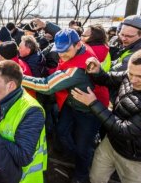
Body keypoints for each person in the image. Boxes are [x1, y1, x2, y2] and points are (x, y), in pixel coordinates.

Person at [71, 47, 141, 183]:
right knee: (96, 177)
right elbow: (108, 79)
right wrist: (97, 72)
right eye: (130, 74)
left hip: (137, 159)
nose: (133, 80)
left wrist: (93, 103)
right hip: (111, 143)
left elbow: (125, 131)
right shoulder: (135, 73)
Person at [21, 29, 103, 182]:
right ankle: (74, 155)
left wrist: (20, 77)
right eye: (59, 52)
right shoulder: (78, 51)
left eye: (66, 51)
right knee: (62, 131)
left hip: (89, 110)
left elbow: (47, 86)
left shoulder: (77, 69)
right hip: (71, 103)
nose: (62, 56)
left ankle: (81, 174)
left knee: (83, 146)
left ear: (78, 44)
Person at [0, 60, 47, 183]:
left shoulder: (32, 111)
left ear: (10, 86)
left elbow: (23, 156)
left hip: (25, 178)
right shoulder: (2, 99)